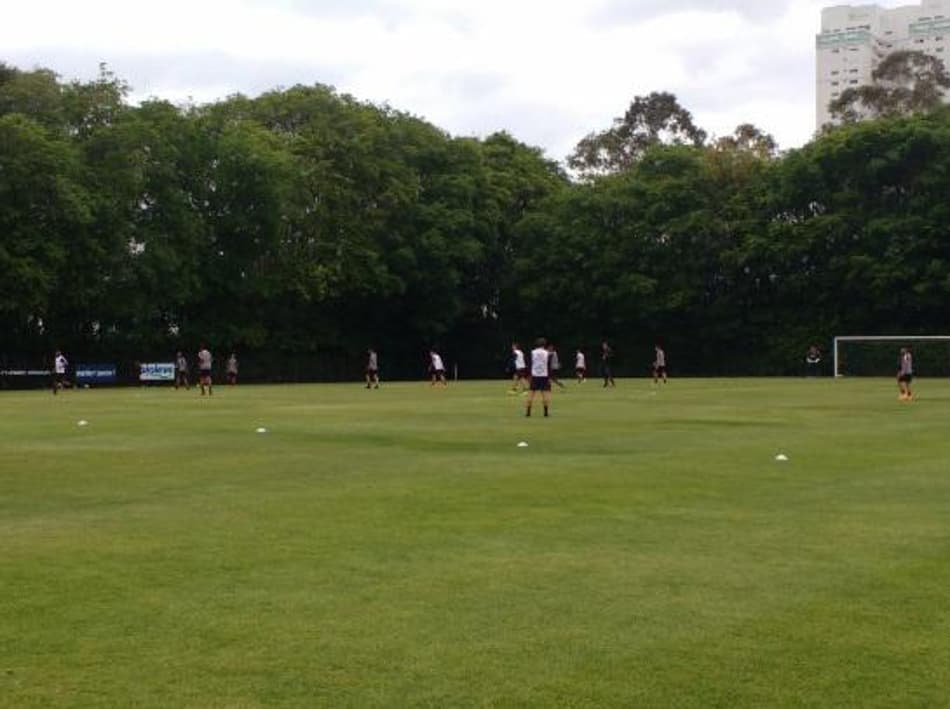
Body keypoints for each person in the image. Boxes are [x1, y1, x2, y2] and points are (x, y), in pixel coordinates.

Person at [525, 338, 553, 417]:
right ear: (544, 345)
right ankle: (546, 413)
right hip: (544, 375)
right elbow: (548, 366)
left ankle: (528, 412)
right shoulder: (547, 353)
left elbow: (529, 364)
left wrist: (528, 375)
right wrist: (549, 377)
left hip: (534, 375)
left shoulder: (532, 352)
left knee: (530, 394)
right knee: (545, 394)